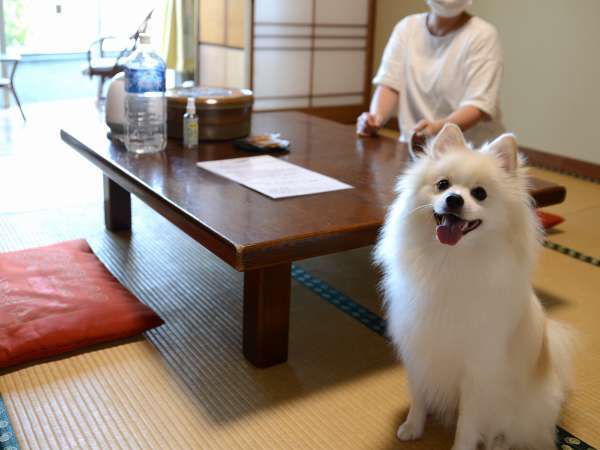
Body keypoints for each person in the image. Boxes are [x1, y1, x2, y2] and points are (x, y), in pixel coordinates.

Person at [357, 0, 505, 147]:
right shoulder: (407, 28)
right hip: (415, 146)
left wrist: (436, 129)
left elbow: (478, 105)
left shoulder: (483, 35)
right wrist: (375, 118)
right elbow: (389, 84)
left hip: (471, 151)